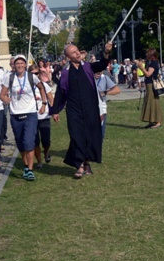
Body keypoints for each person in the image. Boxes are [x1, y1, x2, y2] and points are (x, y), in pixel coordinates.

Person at [50, 43, 112, 178]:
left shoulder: (89, 67)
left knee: (90, 135)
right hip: (74, 110)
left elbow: (102, 65)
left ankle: (87, 162)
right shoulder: (66, 73)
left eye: (77, 51)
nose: (77, 54)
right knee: (76, 136)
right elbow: (60, 93)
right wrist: (55, 111)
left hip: (90, 108)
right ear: (68, 57)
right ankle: (79, 165)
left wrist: (106, 52)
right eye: (73, 53)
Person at [0, 54, 48, 181]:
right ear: (14, 65)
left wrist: (43, 103)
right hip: (15, 114)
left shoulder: (32, 77)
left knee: (29, 142)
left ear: (25, 65)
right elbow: (2, 95)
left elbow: (42, 88)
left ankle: (30, 170)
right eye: (17, 63)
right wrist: (6, 99)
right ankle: (26, 166)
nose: (20, 65)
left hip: (30, 113)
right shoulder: (9, 78)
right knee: (20, 143)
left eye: (22, 63)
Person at [28, 65, 54, 169]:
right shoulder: (27, 86)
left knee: (46, 140)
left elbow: (51, 99)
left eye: (37, 73)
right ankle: (39, 161)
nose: (35, 75)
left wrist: (53, 111)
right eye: (33, 74)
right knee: (35, 141)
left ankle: (46, 152)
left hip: (44, 116)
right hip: (32, 117)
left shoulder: (44, 85)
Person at [136, 49, 163, 129]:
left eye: (147, 54)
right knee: (149, 102)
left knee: (153, 102)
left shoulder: (154, 63)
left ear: (152, 55)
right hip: (148, 84)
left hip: (151, 85)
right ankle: (151, 121)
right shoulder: (150, 63)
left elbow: (148, 74)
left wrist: (141, 68)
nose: (146, 56)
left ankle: (157, 121)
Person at [94, 69, 120, 138]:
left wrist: (105, 92)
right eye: (96, 71)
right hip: (89, 108)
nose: (98, 73)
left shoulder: (104, 78)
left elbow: (117, 90)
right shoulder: (88, 78)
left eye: (100, 71)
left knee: (100, 134)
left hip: (101, 109)